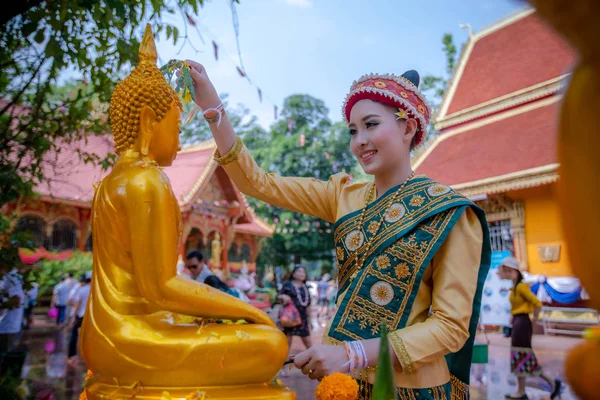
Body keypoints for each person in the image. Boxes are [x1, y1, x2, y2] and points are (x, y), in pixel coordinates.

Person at [187, 61, 492, 398]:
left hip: (409, 387)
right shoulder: (342, 196)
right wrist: (213, 109)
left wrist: (353, 353)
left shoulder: (448, 212)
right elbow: (257, 183)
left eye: (371, 125)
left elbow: (450, 328)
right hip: (342, 381)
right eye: (352, 130)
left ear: (407, 129)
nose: (359, 140)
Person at [498, 257, 561, 399]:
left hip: (522, 324)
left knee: (521, 355)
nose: (500, 273)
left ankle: (522, 391)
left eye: (502, 270)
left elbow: (537, 304)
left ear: (511, 271)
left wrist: (534, 322)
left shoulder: (521, 287)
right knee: (523, 356)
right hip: (518, 323)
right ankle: (545, 384)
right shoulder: (514, 287)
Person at [278, 266, 312, 351]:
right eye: (299, 271)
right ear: (293, 274)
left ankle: (313, 360)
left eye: (303, 272)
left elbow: (308, 305)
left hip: (303, 318)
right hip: (290, 317)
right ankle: (283, 361)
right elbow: (278, 296)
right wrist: (283, 296)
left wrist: (310, 321)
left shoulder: (305, 287)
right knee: (287, 341)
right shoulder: (288, 285)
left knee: (308, 342)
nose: (302, 273)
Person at [0, 267, 24, 353]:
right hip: (6, 326)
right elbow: (16, 300)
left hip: (7, 325)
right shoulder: (11, 277)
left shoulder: (11, 277)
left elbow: (16, 300)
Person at [68, 272, 91, 363]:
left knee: (74, 335)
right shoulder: (97, 290)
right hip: (90, 317)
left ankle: (72, 355)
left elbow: (77, 304)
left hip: (80, 315)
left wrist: (73, 317)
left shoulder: (82, 290)